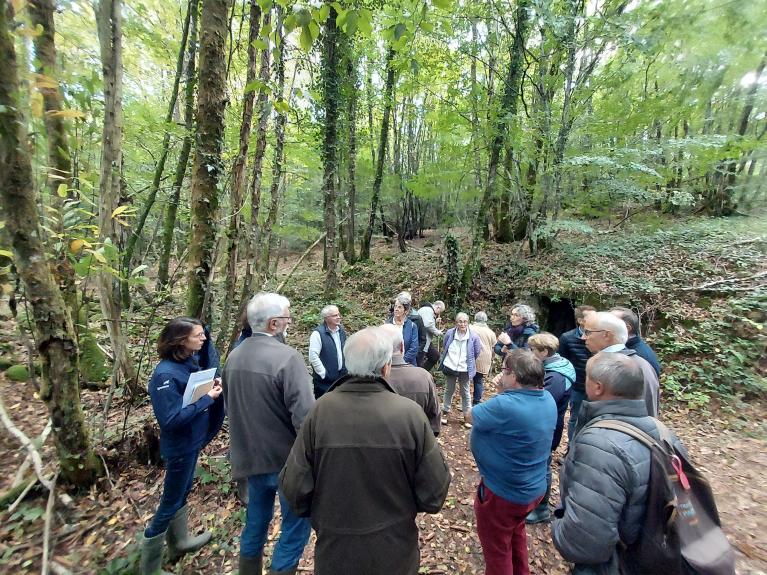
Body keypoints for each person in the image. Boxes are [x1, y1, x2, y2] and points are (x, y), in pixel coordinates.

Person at [279, 327, 452, 575]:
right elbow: (434, 492)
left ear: (348, 365)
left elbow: (294, 487)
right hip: (395, 552)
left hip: (335, 552)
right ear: (385, 368)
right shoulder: (410, 414)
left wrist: (323, 517)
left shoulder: (320, 410)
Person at [552, 352, 686, 574]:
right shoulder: (664, 432)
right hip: (655, 553)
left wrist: (557, 526)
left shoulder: (600, 444)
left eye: (586, 376)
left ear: (598, 387)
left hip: (615, 564)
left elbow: (583, 542)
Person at [223, 293, 315, 575]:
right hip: (286, 462)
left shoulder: (233, 356)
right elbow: (306, 418)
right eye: (287, 317)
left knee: (256, 520)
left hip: (249, 459)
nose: (290, 322)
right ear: (274, 323)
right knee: (296, 524)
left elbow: (229, 408)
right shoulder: (288, 358)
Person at [141, 317, 225, 575]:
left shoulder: (189, 362)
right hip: (179, 447)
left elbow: (190, 396)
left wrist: (210, 387)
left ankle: (179, 542)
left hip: (192, 441)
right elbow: (170, 419)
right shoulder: (165, 375)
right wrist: (207, 400)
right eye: (198, 336)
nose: (204, 339)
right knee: (170, 501)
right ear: (181, 340)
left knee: (182, 491)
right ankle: (150, 567)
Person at [467, 349, 556, 575]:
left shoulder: (504, 405)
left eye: (504, 370)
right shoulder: (547, 398)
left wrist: (498, 392)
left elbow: (470, 416)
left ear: (514, 376)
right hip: (531, 490)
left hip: (503, 494)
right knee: (515, 533)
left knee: (497, 550)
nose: (501, 374)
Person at [524, 332, 574, 524]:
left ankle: (541, 508)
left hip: (547, 428)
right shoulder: (557, 364)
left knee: (542, 465)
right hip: (548, 425)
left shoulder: (555, 376)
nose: (530, 353)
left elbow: (541, 404)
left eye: (533, 350)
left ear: (545, 352)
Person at [582, 311, 660, 417]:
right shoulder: (632, 362)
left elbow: (645, 412)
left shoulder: (629, 366)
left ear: (607, 335)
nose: (583, 337)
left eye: (588, 332)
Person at [380, 323, 441, 436]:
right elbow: (434, 423)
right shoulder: (424, 377)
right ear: (402, 347)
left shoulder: (366, 379)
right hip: (415, 444)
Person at [558, 305, 596, 440]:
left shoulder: (600, 336)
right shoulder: (567, 338)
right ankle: (571, 448)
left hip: (598, 386)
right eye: (591, 317)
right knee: (576, 418)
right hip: (578, 387)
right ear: (580, 320)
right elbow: (562, 362)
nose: (596, 319)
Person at [440, 312, 482, 428]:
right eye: (460, 321)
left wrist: (469, 362)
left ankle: (467, 416)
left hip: (465, 368)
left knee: (465, 392)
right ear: (456, 323)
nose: (462, 324)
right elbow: (445, 346)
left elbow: (477, 351)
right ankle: (445, 413)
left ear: (468, 322)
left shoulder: (473, 336)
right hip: (451, 366)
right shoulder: (450, 333)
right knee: (449, 390)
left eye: (465, 321)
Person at [308, 304, 347, 399]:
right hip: (324, 383)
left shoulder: (341, 331)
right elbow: (313, 356)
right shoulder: (317, 334)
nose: (338, 317)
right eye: (334, 315)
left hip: (341, 379)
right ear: (326, 318)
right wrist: (323, 374)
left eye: (338, 314)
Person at [610, 306, 661, 376]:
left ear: (627, 328)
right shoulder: (622, 347)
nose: (604, 324)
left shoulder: (639, 356)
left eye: (610, 322)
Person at [470, 311, 497, 405]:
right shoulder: (491, 332)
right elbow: (494, 348)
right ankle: (476, 401)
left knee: (465, 379)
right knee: (478, 380)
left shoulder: (470, 328)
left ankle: (465, 401)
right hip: (484, 358)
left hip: (471, 357)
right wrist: (492, 358)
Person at [387, 296, 419, 366]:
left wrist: (402, 361)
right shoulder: (387, 325)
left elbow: (414, 348)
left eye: (399, 307)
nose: (396, 309)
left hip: (408, 364)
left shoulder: (412, 326)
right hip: (390, 364)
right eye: (395, 306)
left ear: (406, 311)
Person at [417, 300, 445, 371]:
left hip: (426, 340)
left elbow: (425, 322)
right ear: (438, 307)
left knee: (435, 356)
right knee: (418, 363)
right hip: (422, 341)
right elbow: (427, 324)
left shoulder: (427, 310)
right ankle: (420, 375)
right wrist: (438, 332)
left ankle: (424, 372)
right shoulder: (428, 310)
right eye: (440, 311)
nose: (439, 313)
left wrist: (434, 321)